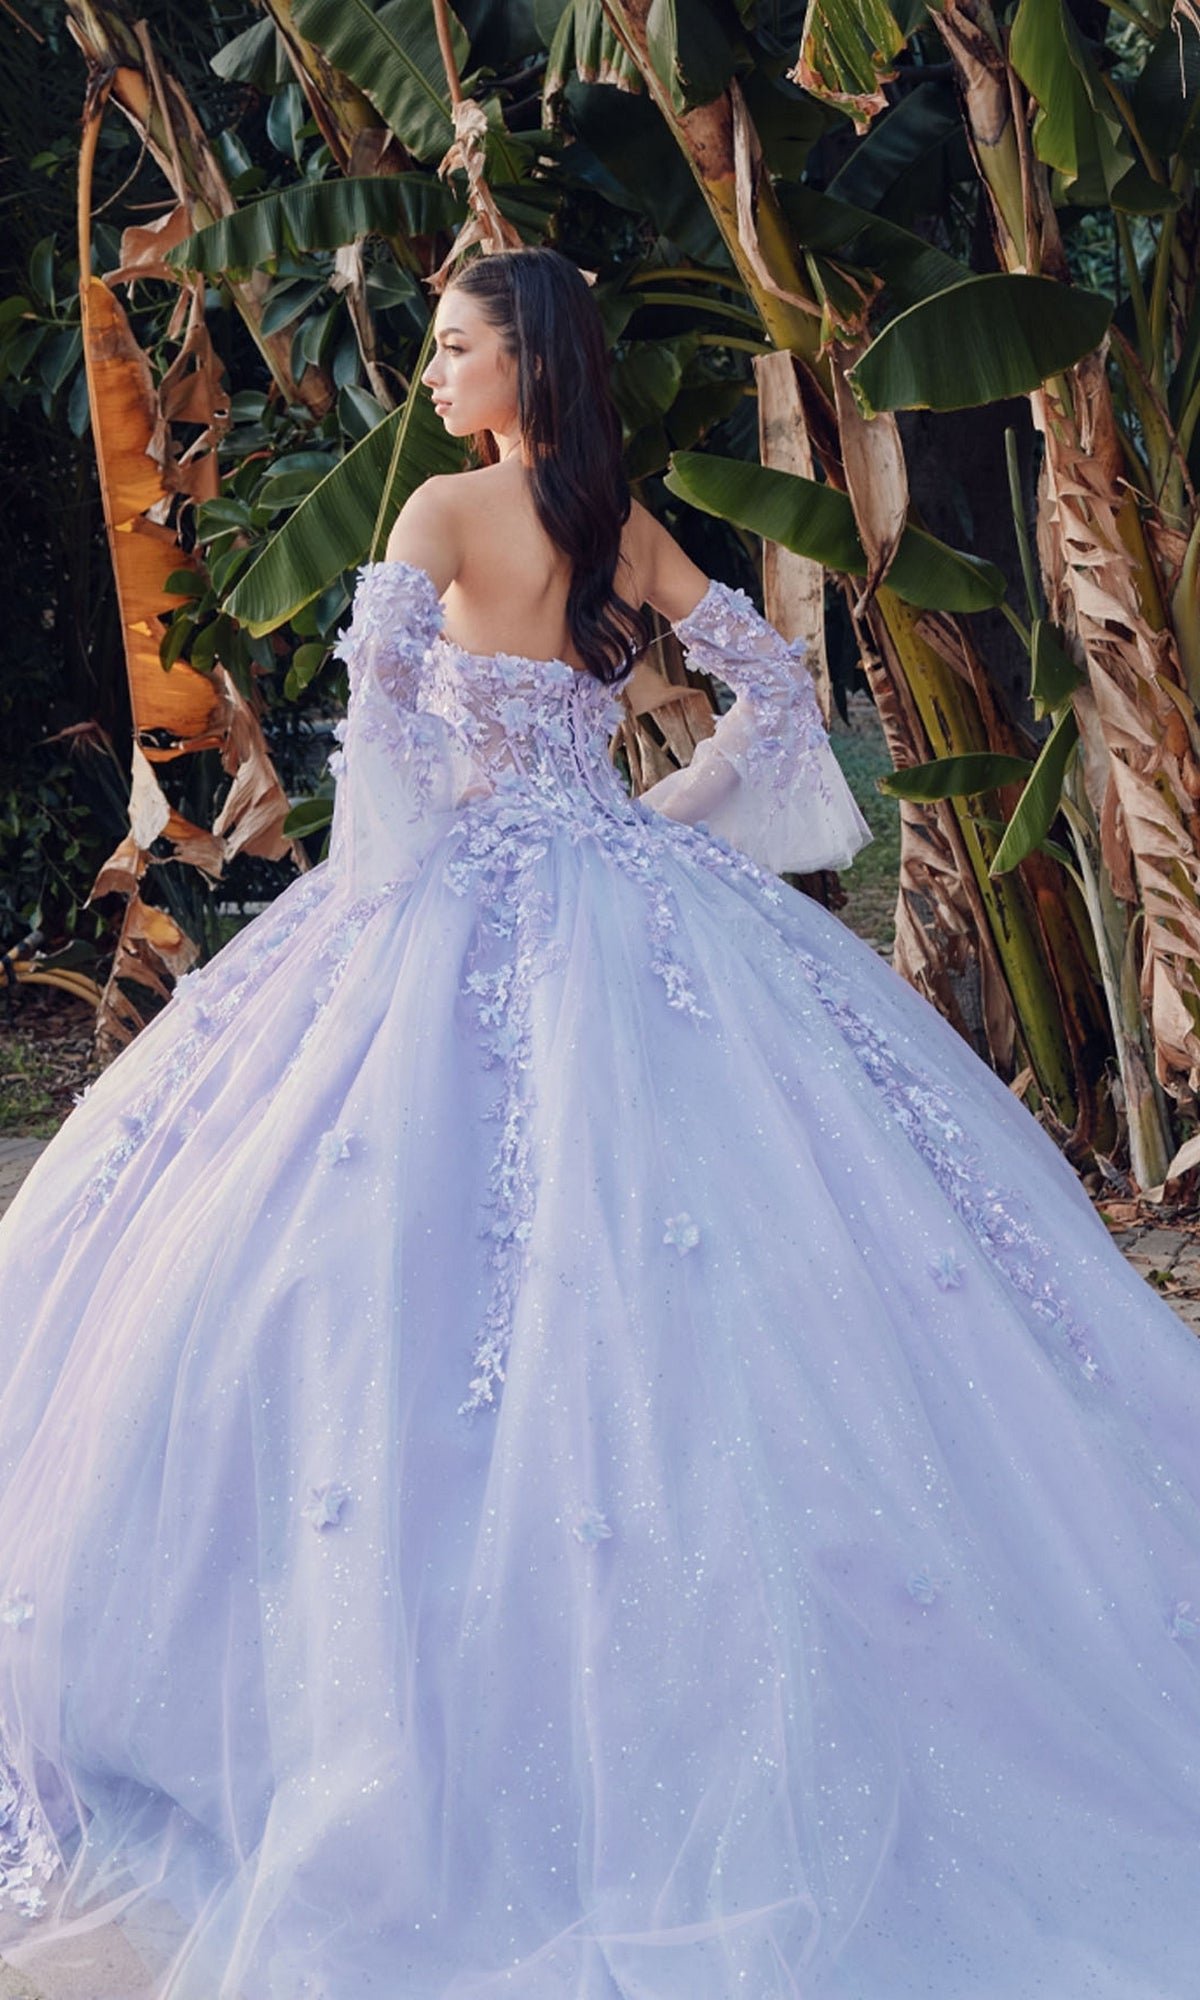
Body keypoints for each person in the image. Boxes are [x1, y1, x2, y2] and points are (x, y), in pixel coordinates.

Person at [0, 244, 1198, 2000]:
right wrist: (666, 819)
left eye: (453, 347)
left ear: (526, 361)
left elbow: (380, 755)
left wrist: (396, 892)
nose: (430, 374)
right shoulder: (619, 525)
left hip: (450, 898)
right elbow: (780, 695)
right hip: (622, 882)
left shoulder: (437, 513)